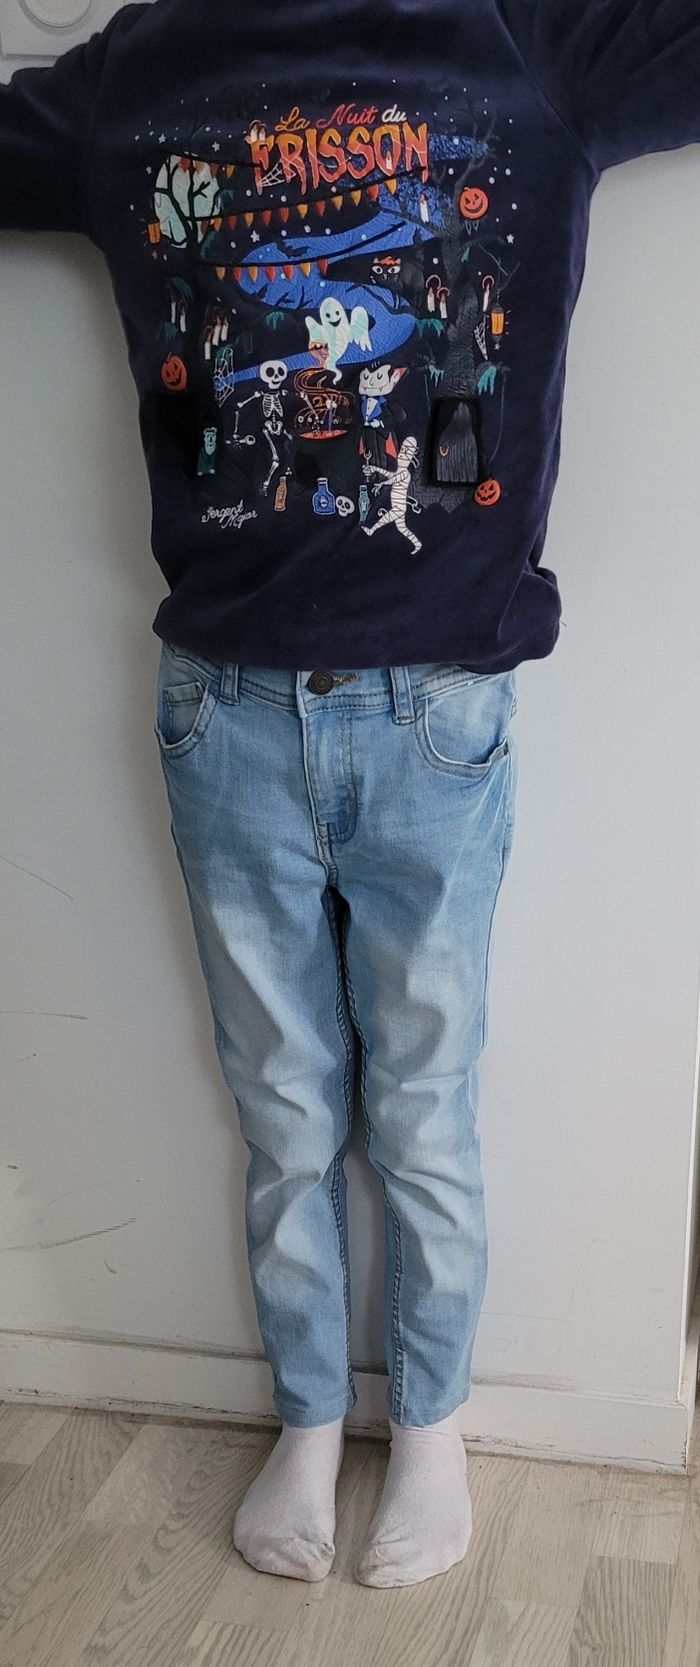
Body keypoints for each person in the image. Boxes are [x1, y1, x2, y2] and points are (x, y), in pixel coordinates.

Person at [1, 0, 698, 1591]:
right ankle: (310, 1416)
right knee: (285, 1111)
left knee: (426, 1114)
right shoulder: (144, 68)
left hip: (435, 707)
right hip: (225, 711)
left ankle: (432, 1422)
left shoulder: (527, 40)